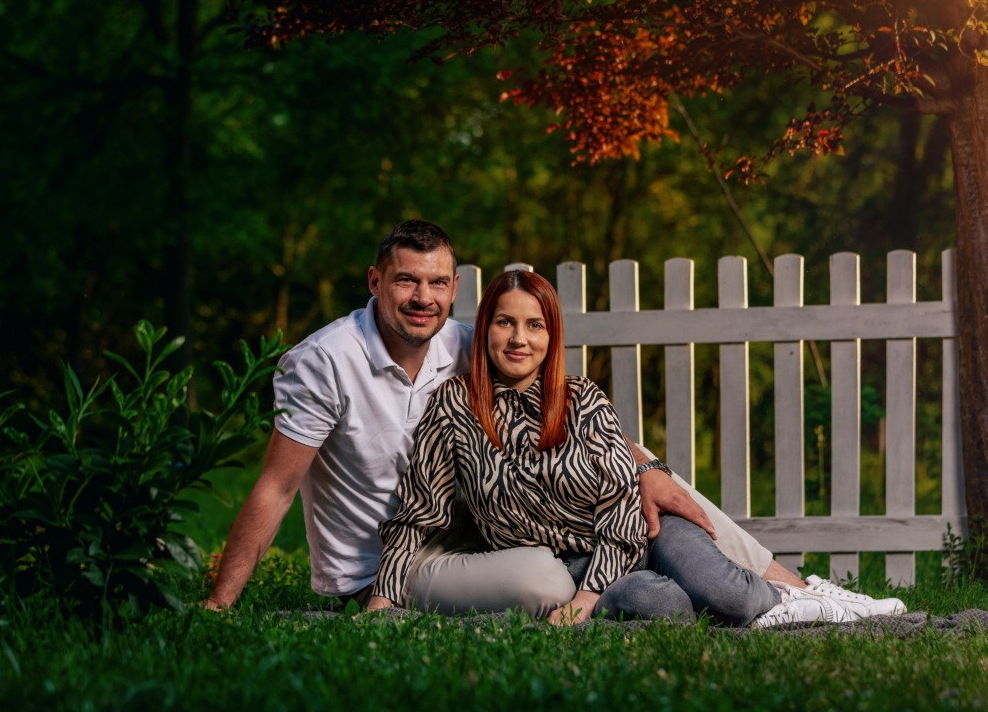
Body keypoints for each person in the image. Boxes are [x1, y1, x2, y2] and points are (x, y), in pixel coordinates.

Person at [205, 219, 901, 620]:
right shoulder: (324, 362)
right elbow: (277, 487)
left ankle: (799, 591)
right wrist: (220, 605)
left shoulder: (464, 343)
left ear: (455, 287)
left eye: (437, 283)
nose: (422, 297)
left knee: (658, 483)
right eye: (406, 281)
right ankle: (638, 603)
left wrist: (647, 468)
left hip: (482, 543)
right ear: (375, 282)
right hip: (394, 564)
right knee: (549, 576)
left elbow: (565, 411)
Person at [368, 269, 904, 627]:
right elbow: (419, 514)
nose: (519, 338)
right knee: (663, 605)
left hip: (641, 535)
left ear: (552, 337)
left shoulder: (584, 400)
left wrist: (585, 599)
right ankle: (720, 605)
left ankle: (809, 601)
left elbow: (626, 501)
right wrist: (382, 599)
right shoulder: (453, 409)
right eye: (505, 322)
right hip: (572, 566)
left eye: (535, 325)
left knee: (732, 593)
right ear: (485, 329)